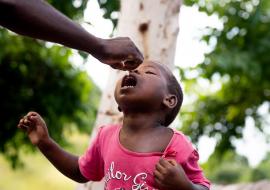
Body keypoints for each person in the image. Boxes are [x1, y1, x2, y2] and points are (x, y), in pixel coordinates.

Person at [18, 60, 210, 190]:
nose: (134, 70)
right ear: (119, 104)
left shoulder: (177, 144)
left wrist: (186, 187)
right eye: (134, 70)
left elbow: (202, 186)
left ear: (169, 100)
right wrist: (45, 142)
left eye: (149, 72)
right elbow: (80, 171)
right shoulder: (106, 137)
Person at [0, 0, 143, 70]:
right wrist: (99, 46)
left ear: (167, 100)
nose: (134, 73)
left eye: (150, 73)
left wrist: (99, 46)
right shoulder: (104, 129)